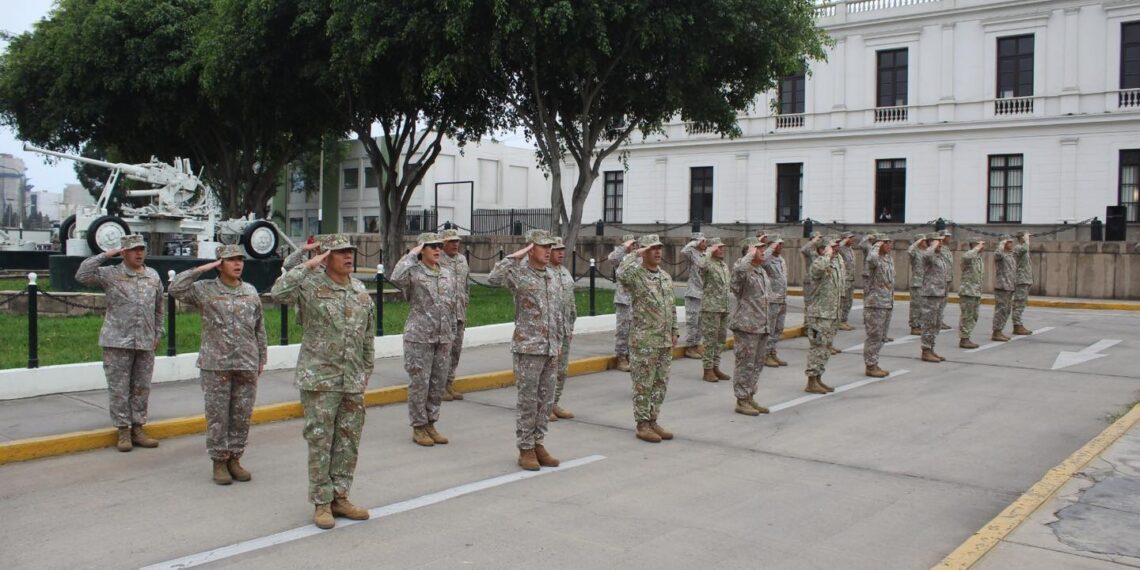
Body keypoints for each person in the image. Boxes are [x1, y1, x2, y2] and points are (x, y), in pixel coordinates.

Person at [270, 234, 374, 530]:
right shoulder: (310, 285)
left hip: (352, 379)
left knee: (347, 442)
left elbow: (367, 334)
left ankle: (341, 497)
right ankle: (321, 503)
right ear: (326, 257)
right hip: (320, 379)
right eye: (340, 252)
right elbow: (278, 292)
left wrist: (366, 368)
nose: (348, 257)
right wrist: (308, 263)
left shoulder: (359, 289)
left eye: (349, 252)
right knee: (320, 441)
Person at [169, 244, 268, 485]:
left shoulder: (250, 290)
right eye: (231, 260)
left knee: (241, 414)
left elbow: (259, 326)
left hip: (246, 362)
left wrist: (261, 356)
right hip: (216, 364)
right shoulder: (204, 290)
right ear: (219, 264)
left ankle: (235, 457)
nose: (237, 264)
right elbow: (174, 288)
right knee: (218, 416)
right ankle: (219, 461)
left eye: (240, 259)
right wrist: (202, 269)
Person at [75, 234, 164, 452]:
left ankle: (138, 428)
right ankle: (123, 431)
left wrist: (158, 333)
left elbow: (159, 308)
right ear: (123, 253)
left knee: (141, 388)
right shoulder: (111, 274)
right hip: (117, 341)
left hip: (144, 341)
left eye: (141, 249)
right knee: (119, 389)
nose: (139, 253)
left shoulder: (152, 276)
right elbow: (82, 274)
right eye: (134, 250)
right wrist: (107, 254)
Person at [487, 229, 565, 471]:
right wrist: (515, 255)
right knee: (528, 401)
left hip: (551, 347)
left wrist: (559, 342)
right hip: (529, 347)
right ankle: (525, 448)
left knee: (545, 400)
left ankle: (538, 442)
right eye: (543, 246)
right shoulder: (519, 274)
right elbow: (493, 278)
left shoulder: (552, 276)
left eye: (550, 246)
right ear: (532, 249)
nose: (548, 250)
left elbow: (557, 312)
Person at [390, 232, 457, 447]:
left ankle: (431, 423)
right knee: (420, 384)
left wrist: (452, 334)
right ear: (422, 250)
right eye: (431, 246)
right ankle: (418, 426)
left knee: (437, 384)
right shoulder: (414, 273)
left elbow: (451, 306)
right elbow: (395, 276)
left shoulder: (447, 274)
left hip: (443, 336)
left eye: (439, 246)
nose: (437, 249)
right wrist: (412, 254)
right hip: (419, 337)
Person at [617, 235, 679, 443]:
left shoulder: (665, 277)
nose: (658, 252)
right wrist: (635, 253)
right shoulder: (637, 275)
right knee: (643, 384)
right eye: (652, 249)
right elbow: (621, 273)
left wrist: (674, 330)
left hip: (664, 340)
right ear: (644, 252)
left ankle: (653, 420)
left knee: (660, 383)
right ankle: (642, 424)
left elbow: (671, 306)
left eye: (659, 248)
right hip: (644, 340)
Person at [729, 237, 771, 415]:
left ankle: (750, 396)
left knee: (757, 364)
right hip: (747, 326)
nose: (763, 251)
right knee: (745, 364)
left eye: (763, 249)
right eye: (758, 249)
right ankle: (741, 399)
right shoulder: (743, 270)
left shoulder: (760, 271)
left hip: (761, 325)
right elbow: (739, 270)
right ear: (749, 252)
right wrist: (749, 254)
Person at [804, 237, 842, 394]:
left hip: (831, 314)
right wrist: (826, 254)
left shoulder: (835, 262)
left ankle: (818, 378)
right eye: (832, 247)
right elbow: (818, 269)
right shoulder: (819, 262)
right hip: (819, 315)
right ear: (821, 250)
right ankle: (811, 381)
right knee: (817, 348)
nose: (835, 249)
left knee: (825, 349)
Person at [549, 237, 578, 421]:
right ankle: (544, 406)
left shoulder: (565, 272)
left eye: (562, 250)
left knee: (562, 370)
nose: (561, 253)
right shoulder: (545, 272)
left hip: (565, 329)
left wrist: (571, 325)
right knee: (550, 370)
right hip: (551, 330)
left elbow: (571, 302)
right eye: (556, 250)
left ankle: (554, 402)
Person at [439, 229, 470, 401]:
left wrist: (466, 301)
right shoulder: (438, 260)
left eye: (457, 241)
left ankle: (449, 383)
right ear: (443, 243)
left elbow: (466, 285)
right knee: (444, 352)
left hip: (459, 313)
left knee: (455, 351)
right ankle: (440, 386)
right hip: (444, 315)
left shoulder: (462, 259)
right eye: (451, 241)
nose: (455, 244)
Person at [696, 238, 731, 382]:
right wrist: (708, 251)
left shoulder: (723, 265)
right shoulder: (707, 264)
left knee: (720, 339)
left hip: (723, 307)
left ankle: (716, 366)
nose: (722, 250)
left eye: (722, 247)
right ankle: (707, 369)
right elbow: (700, 265)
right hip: (711, 308)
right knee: (710, 340)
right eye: (718, 247)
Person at [863, 234, 895, 378]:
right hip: (875, 303)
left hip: (887, 302)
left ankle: (874, 362)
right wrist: (876, 245)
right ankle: (870, 365)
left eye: (890, 243)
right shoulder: (874, 259)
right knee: (874, 336)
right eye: (886, 243)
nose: (890, 245)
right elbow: (871, 258)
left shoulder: (888, 259)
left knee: (882, 336)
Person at [918, 234, 950, 363]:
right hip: (930, 294)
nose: (941, 244)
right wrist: (934, 245)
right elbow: (926, 255)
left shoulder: (939, 257)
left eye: (941, 242)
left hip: (939, 294)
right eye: (938, 242)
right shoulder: (928, 255)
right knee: (929, 323)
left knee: (936, 323)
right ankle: (925, 350)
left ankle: (931, 348)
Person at [759, 234, 789, 367]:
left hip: (782, 298)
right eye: (778, 244)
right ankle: (765, 355)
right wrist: (770, 248)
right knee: (769, 329)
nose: (780, 247)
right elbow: (761, 260)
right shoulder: (766, 258)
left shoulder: (780, 259)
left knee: (778, 328)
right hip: (772, 299)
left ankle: (772, 352)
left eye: (781, 244)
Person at [607, 235, 636, 372]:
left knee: (634, 330)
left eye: (633, 243)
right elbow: (611, 258)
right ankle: (621, 357)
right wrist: (624, 247)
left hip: (636, 300)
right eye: (630, 244)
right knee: (623, 330)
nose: (632, 246)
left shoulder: (637, 257)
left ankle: (632, 355)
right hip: (623, 300)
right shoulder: (619, 257)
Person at [680, 233, 708, 358]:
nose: (705, 243)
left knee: (701, 322)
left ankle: (697, 345)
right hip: (693, 293)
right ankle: (690, 347)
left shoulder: (705, 255)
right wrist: (694, 242)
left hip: (704, 293)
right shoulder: (692, 254)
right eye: (703, 241)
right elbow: (684, 251)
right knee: (693, 322)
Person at [958, 238, 986, 349]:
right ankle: (964, 339)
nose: (983, 247)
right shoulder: (969, 256)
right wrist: (977, 247)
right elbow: (967, 256)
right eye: (981, 245)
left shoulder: (978, 259)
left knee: (974, 316)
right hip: (968, 291)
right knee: (967, 316)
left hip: (976, 291)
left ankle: (967, 336)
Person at [992, 236, 1017, 341]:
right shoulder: (1000, 254)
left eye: (1012, 242)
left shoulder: (1010, 255)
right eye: (1009, 242)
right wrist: (1001, 244)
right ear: (1004, 243)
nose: (1012, 244)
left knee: (1006, 310)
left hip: (1010, 286)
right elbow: (997, 254)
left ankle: (1000, 330)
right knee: (1001, 310)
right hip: (1002, 286)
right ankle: (996, 332)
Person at [906, 234, 929, 335]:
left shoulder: (927, 252)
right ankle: (914, 326)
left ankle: (920, 324)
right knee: (916, 305)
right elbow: (909, 251)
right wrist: (917, 242)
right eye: (923, 241)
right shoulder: (915, 252)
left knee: (923, 306)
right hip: (917, 282)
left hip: (926, 283)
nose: (925, 242)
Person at [1012, 231, 1034, 335]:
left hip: (1025, 279)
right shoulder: (1018, 248)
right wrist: (1026, 239)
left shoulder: (1023, 248)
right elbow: (1025, 249)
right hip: (1021, 279)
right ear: (1021, 238)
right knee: (1019, 303)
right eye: (1026, 237)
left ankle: (1018, 324)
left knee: (1022, 303)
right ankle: (1017, 325)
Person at [836, 232, 857, 331]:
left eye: (852, 238)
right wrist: (843, 240)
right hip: (844, 279)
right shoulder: (841, 249)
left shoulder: (850, 249)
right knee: (842, 301)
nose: (852, 240)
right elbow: (837, 247)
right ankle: (839, 321)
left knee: (849, 301)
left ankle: (844, 320)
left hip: (851, 278)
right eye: (850, 238)